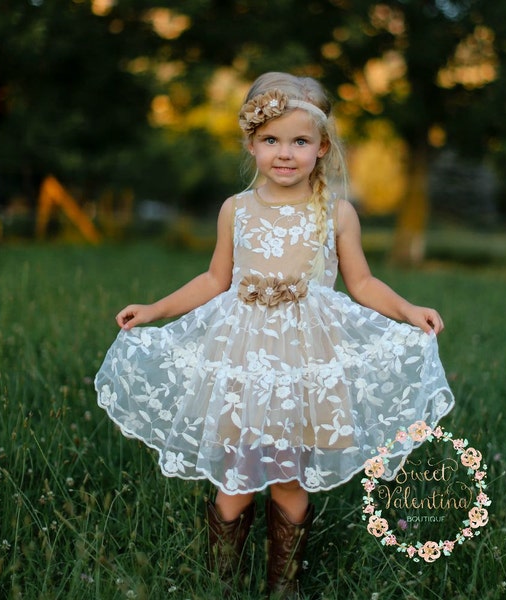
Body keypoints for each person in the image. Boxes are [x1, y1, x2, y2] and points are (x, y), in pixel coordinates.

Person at [95, 72, 454, 598]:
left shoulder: (336, 213)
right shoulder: (236, 209)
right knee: (235, 478)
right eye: (271, 141)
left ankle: (282, 586)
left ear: (321, 147)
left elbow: (362, 283)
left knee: (289, 478)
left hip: (302, 366)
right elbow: (215, 280)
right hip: (244, 361)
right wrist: (155, 309)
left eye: (299, 141)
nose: (285, 153)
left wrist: (407, 309)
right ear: (251, 143)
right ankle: (220, 583)